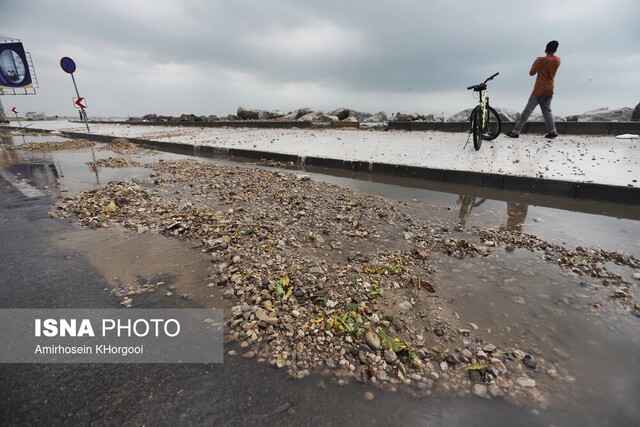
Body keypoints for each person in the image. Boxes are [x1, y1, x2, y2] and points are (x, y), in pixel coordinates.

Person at [505, 40, 561, 139]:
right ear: (556, 49)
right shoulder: (558, 60)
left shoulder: (542, 60)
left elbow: (531, 72)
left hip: (539, 90)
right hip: (550, 89)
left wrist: (536, 61)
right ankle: (553, 131)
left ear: (546, 49)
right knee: (547, 111)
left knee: (527, 111)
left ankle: (516, 132)